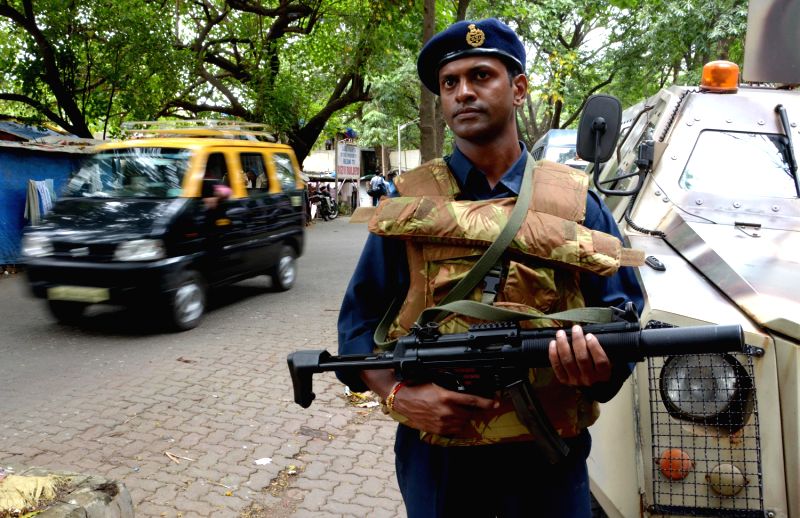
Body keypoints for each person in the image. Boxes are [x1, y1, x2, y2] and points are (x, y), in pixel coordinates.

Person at [337, 18, 644, 518]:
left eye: (481, 76)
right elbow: (357, 326)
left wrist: (597, 367)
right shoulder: (410, 201)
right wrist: (397, 395)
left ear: (519, 88)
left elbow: (619, 310)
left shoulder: (574, 200)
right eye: (450, 83)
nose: (463, 93)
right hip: (440, 463)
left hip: (547, 457)